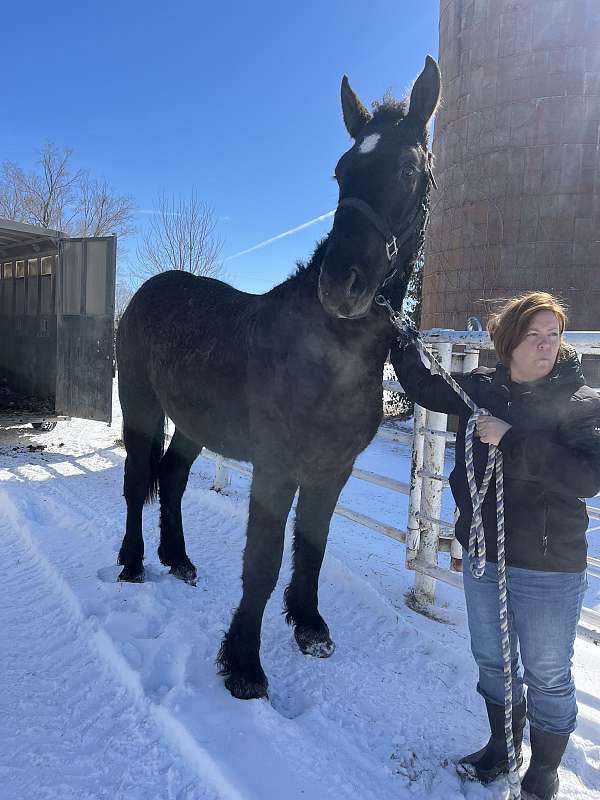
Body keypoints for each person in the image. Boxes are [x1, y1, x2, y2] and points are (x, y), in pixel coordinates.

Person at [389, 292, 600, 800]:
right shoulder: (480, 389)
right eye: (535, 335)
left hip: (550, 565)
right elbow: (421, 384)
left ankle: (545, 769)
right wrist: (395, 328)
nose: (547, 344)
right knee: (493, 660)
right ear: (508, 344)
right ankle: (502, 748)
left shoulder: (581, 403)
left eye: (554, 334)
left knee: (547, 673)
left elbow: (586, 477)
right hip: (485, 554)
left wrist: (510, 439)